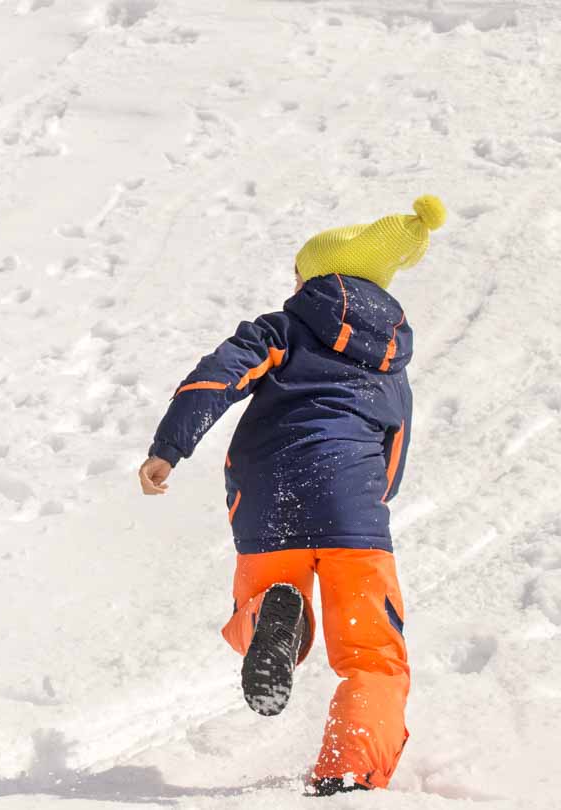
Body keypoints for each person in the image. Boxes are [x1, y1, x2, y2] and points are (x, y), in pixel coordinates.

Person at [138, 196, 447, 795]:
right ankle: (347, 776)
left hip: (269, 502)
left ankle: (273, 617)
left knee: (258, 605)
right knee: (371, 656)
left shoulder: (282, 329)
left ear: (316, 279)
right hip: (352, 518)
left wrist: (168, 446)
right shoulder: (389, 364)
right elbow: (395, 452)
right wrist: (363, 511)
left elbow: (216, 377)